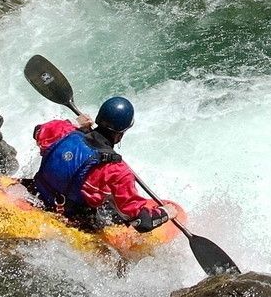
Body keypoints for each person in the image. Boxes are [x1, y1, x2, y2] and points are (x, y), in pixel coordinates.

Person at [25, 96, 173, 232]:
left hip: (34, 195)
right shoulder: (117, 171)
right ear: (120, 134)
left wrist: (77, 124)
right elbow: (142, 223)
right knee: (110, 208)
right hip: (68, 220)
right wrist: (166, 212)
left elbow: (38, 131)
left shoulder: (62, 131)